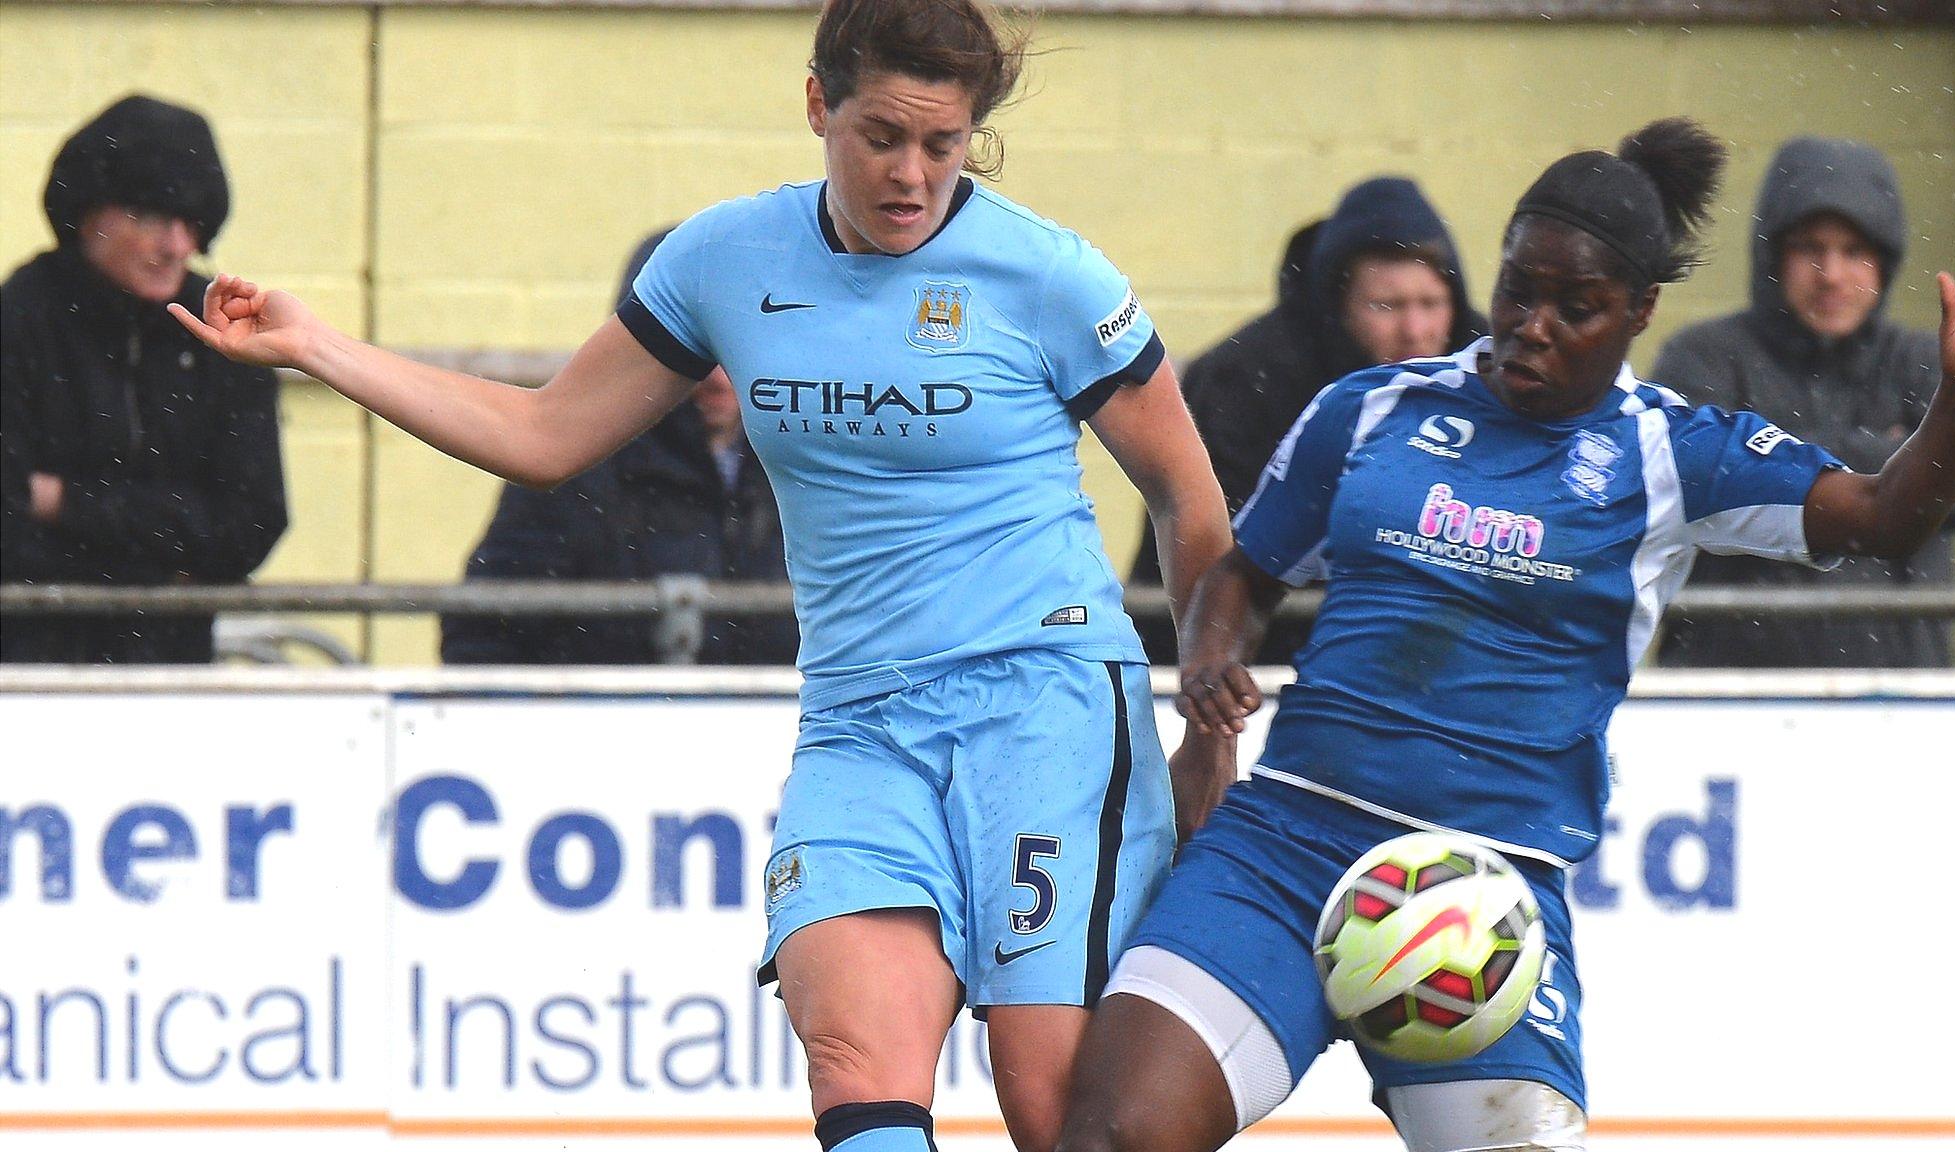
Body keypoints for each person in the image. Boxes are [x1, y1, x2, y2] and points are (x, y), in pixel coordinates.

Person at [169, 3, 1233, 1150]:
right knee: (855, 1067)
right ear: (818, 104)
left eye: (944, 144)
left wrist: (1205, 713)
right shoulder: (725, 262)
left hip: (1046, 704)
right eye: (881, 135)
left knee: (1049, 1104)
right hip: (860, 723)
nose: (912, 175)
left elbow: (1187, 496)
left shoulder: (1050, 277)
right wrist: (320, 346)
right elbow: (543, 436)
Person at [1057, 119, 1955, 1152]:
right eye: (1515, 289)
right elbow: (1242, 577)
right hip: (1284, 847)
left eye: (1574, 308)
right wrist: (1211, 681)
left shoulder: (1672, 454)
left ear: (1637, 313)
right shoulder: (1371, 409)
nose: (1530, 324)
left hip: (1481, 891)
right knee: (1110, 1133)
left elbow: (1888, 515)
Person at [1653, 137, 1955, 668]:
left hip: (1903, 702)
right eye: (1810, 248)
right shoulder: (1703, 356)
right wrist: (1885, 457)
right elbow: (1690, 476)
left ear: (1884, 260)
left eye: (1854, 251)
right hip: (1721, 702)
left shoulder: (1930, 361)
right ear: (1774, 254)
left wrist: (1762, 451)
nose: (1832, 275)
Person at [1126, 177, 1487, 663]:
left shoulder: (1494, 372)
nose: (1415, 330)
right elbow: (1217, 550)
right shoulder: (1244, 379)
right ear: (1337, 305)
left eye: (1431, 304)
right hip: (1247, 660)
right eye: (1388, 306)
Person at [2, 94, 286, 663]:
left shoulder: (219, 327)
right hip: (31, 672)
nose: (177, 246)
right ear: (86, 215)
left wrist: (63, 502)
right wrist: (170, 551)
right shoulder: (20, 321)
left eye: (193, 222)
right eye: (152, 216)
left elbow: (251, 521)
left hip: (173, 670)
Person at [441, 229, 797, 665]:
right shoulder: (573, 467)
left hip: (777, 728)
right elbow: (483, 637)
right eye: (694, 350)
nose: (718, 376)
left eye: (737, 346)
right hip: (596, 730)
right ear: (643, 349)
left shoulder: (805, 465)